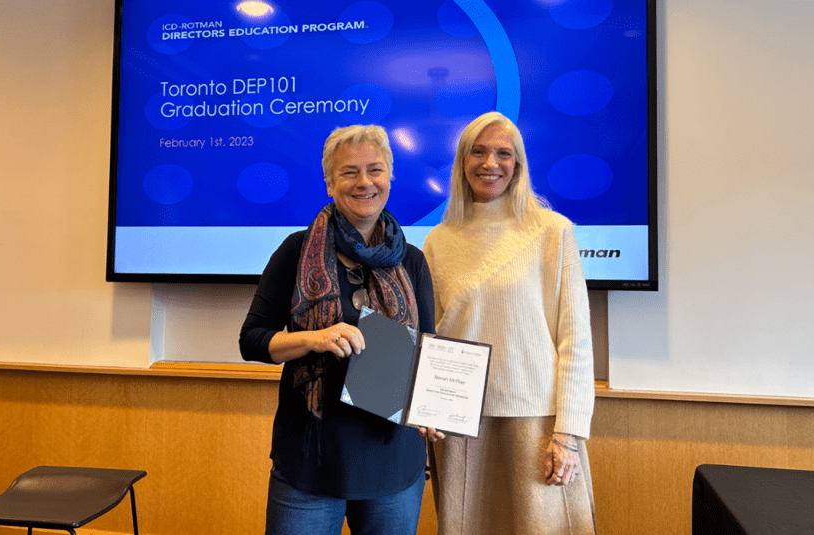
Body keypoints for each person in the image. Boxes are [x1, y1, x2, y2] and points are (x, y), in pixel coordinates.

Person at [240, 124, 440, 535]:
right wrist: (313, 338)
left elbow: (427, 352)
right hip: (311, 463)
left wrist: (433, 405)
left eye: (375, 170)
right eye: (349, 172)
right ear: (330, 182)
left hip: (394, 465)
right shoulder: (296, 250)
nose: (364, 182)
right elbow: (252, 339)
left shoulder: (413, 262)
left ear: (389, 177)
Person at [423, 111, 596, 535]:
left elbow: (575, 338)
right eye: (478, 152)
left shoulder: (552, 231)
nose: (490, 163)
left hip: (537, 423)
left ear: (518, 163)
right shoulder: (438, 240)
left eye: (504, 153)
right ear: (462, 162)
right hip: (460, 425)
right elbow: (430, 335)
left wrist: (568, 433)